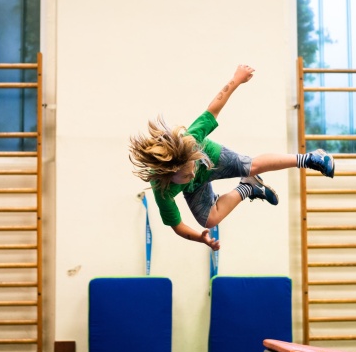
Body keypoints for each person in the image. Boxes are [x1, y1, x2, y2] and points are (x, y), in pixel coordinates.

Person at [129, 65, 334, 251]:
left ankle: (309, 159)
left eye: (191, 167)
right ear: (170, 175)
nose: (192, 173)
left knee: (252, 166)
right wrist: (201, 239)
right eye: (185, 175)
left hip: (211, 157)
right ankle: (249, 188)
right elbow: (178, 226)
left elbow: (213, 109)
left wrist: (236, 80)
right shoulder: (162, 192)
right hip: (194, 189)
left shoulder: (191, 140)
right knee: (209, 219)